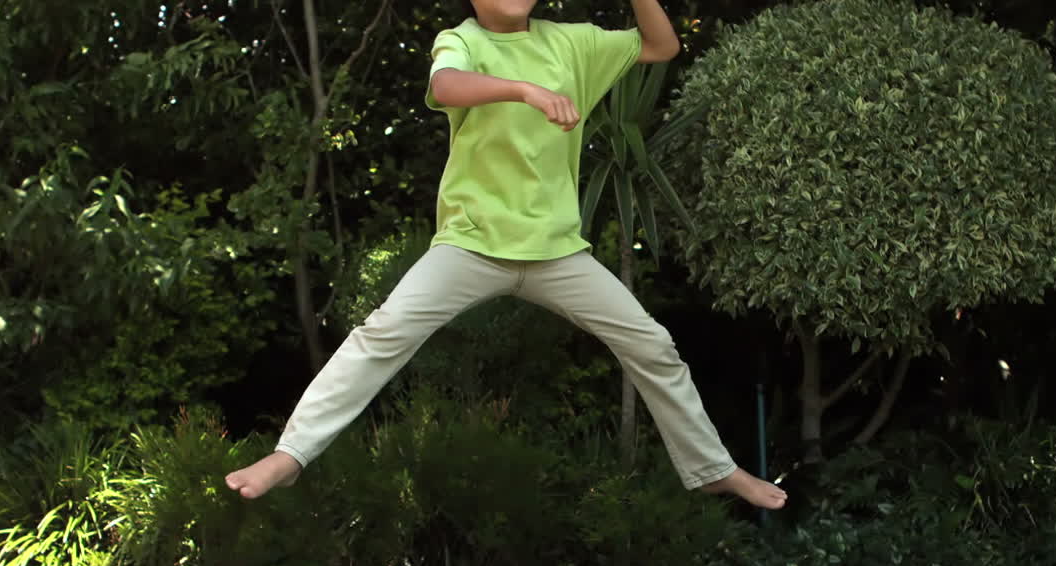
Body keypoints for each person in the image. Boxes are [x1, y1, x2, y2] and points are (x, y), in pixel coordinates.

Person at [226, 0, 787, 511]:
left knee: (652, 343)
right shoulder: (462, 39)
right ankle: (291, 455)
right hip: (471, 245)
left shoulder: (573, 43)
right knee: (382, 334)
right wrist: (523, 90)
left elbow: (661, 46)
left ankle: (713, 469)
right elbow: (445, 86)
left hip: (558, 252)